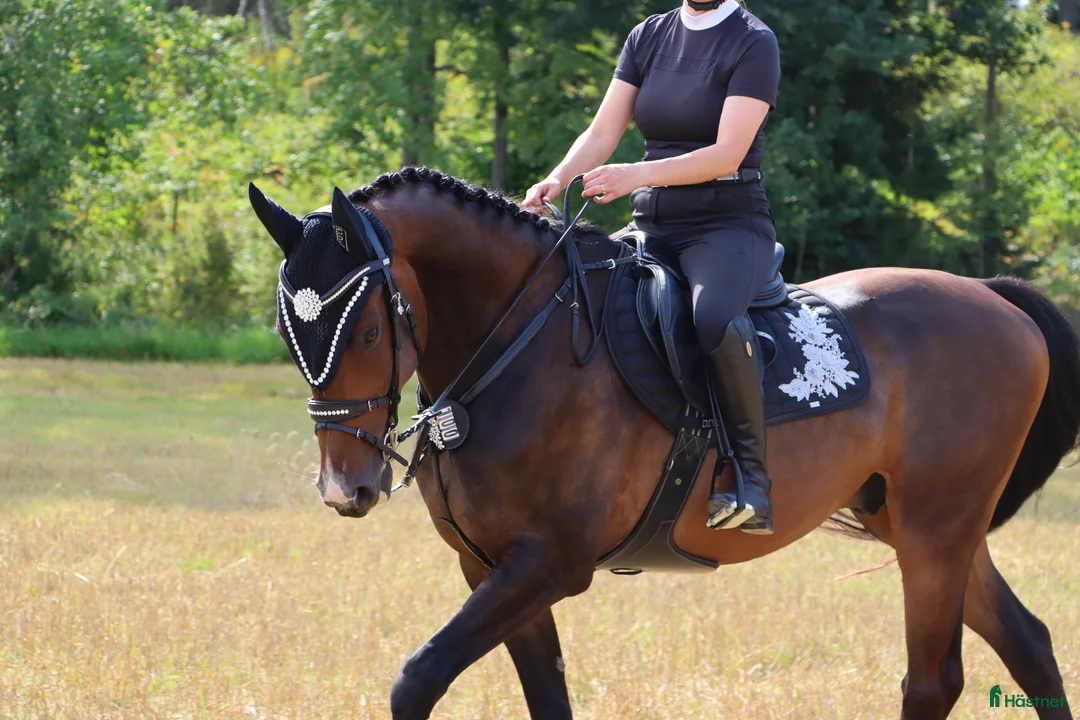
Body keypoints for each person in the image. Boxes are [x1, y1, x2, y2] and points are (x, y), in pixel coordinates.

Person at [522, 0, 780, 534]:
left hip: (727, 225)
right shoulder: (648, 36)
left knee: (712, 319)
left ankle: (752, 480)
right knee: (575, 294)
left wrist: (637, 175)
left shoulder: (754, 41)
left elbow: (726, 154)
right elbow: (601, 133)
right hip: (652, 224)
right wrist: (558, 179)